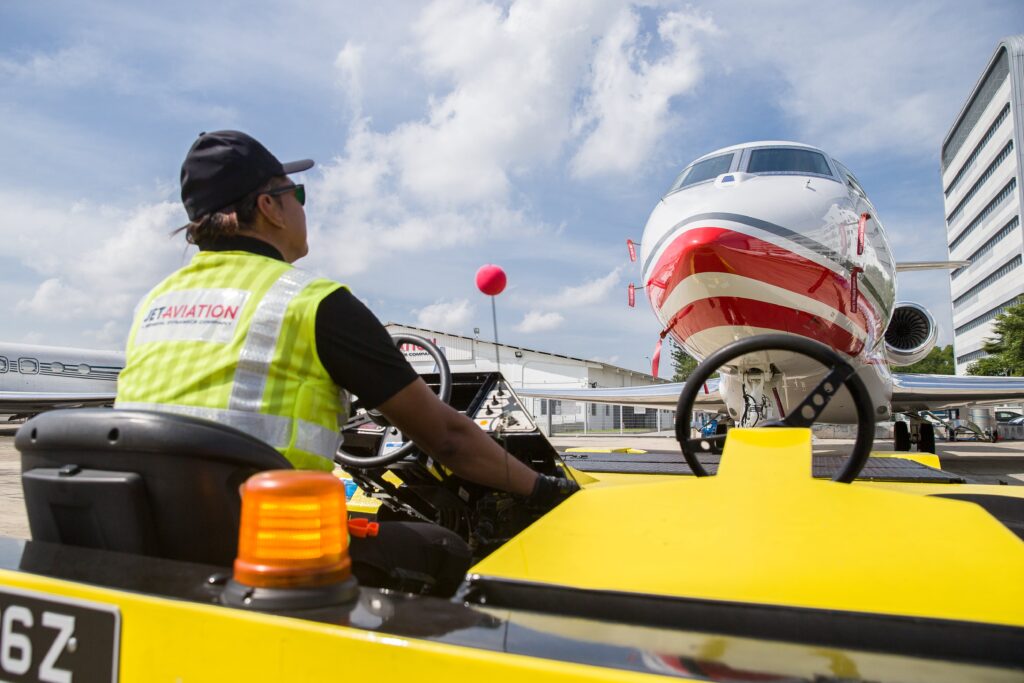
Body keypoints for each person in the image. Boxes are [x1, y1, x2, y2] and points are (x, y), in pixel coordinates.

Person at [115, 130, 577, 596]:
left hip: (158, 543)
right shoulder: (311, 303)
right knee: (445, 548)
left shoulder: (154, 304)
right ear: (269, 208)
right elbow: (450, 440)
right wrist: (546, 490)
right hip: (269, 551)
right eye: (295, 193)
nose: (302, 206)